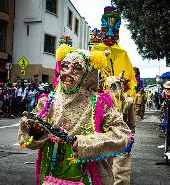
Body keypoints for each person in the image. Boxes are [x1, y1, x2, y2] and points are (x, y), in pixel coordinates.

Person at [18, 44, 133, 185]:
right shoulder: (47, 102)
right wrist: (35, 133)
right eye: (65, 66)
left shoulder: (100, 104)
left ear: (88, 74)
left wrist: (86, 143)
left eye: (77, 68)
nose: (68, 72)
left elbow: (123, 135)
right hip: (50, 178)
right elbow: (25, 140)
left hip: (88, 178)